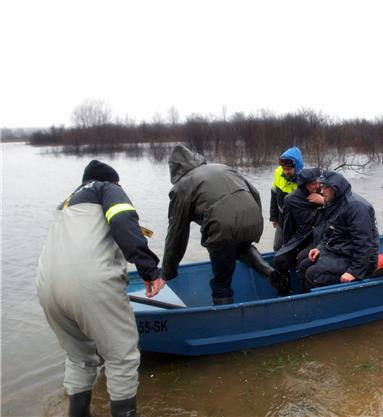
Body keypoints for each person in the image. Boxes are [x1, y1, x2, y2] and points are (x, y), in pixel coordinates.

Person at [36, 160, 165, 417]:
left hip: (46, 286)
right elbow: (122, 220)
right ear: (113, 181)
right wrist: (149, 270)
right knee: (122, 358)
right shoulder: (107, 189)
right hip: (89, 282)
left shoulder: (66, 203)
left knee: (79, 358)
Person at [161, 144, 283, 305]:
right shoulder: (223, 167)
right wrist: (255, 223)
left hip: (222, 228)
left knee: (221, 282)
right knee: (240, 246)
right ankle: (269, 272)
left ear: (175, 169)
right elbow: (254, 192)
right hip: (251, 219)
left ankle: (225, 320)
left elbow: (176, 232)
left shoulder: (182, 186)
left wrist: (167, 272)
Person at [298, 171, 379, 290]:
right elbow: (330, 231)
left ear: (335, 188)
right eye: (321, 187)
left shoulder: (356, 207)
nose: (321, 192)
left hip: (361, 260)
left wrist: (354, 271)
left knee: (313, 274)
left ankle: (319, 306)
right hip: (342, 250)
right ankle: (304, 299)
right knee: (304, 265)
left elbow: (364, 243)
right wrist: (320, 248)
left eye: (325, 188)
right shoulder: (334, 202)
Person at [272, 167, 325, 293]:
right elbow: (288, 226)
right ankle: (286, 293)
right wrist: (286, 245)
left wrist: (324, 201)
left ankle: (306, 293)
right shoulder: (291, 200)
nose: (316, 186)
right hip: (301, 238)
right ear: (304, 185)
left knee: (304, 260)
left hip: (320, 237)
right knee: (279, 260)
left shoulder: (325, 193)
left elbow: (340, 209)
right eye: (313, 184)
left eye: (318, 183)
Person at [270, 146, 304, 251]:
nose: (286, 172)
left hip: (297, 221)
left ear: (297, 167)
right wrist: (273, 217)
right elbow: (274, 195)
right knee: (277, 246)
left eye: (289, 169)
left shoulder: (304, 179)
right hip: (281, 217)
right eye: (284, 169)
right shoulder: (278, 173)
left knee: (293, 248)